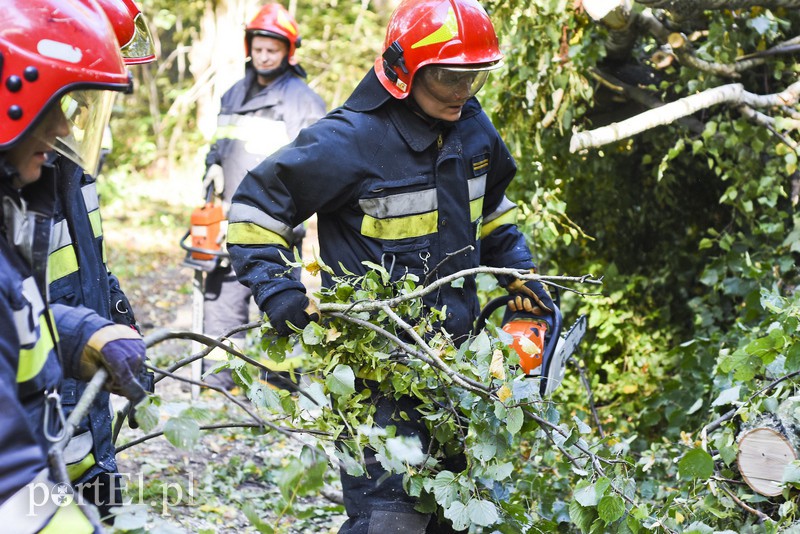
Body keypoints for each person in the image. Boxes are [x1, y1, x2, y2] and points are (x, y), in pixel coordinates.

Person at [225, 0, 554, 531]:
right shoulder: (350, 140)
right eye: (448, 77)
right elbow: (253, 211)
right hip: (375, 373)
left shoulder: (473, 129)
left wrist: (519, 271)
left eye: (474, 77)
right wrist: (277, 289)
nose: (462, 91)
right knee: (391, 520)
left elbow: (492, 213)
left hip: (457, 371)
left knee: (453, 516)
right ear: (405, 70)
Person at [0, 0, 148, 529]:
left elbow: (19, 310)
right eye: (59, 102)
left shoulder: (33, 187)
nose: (68, 124)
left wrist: (87, 330)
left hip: (71, 435)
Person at [47, 0, 157, 521]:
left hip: (84, 417)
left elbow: (85, 263)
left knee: (100, 508)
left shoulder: (66, 165)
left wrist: (113, 321)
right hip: (42, 426)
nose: (77, 127)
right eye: (77, 100)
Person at [201, 2, 326, 388]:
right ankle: (221, 382)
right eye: (258, 49)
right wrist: (212, 166)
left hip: (277, 223)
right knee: (222, 303)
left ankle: (282, 387)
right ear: (248, 48)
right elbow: (219, 145)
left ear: (288, 51)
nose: (264, 56)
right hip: (227, 219)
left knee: (281, 300)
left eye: (272, 50)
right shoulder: (233, 94)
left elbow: (315, 167)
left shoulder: (304, 102)